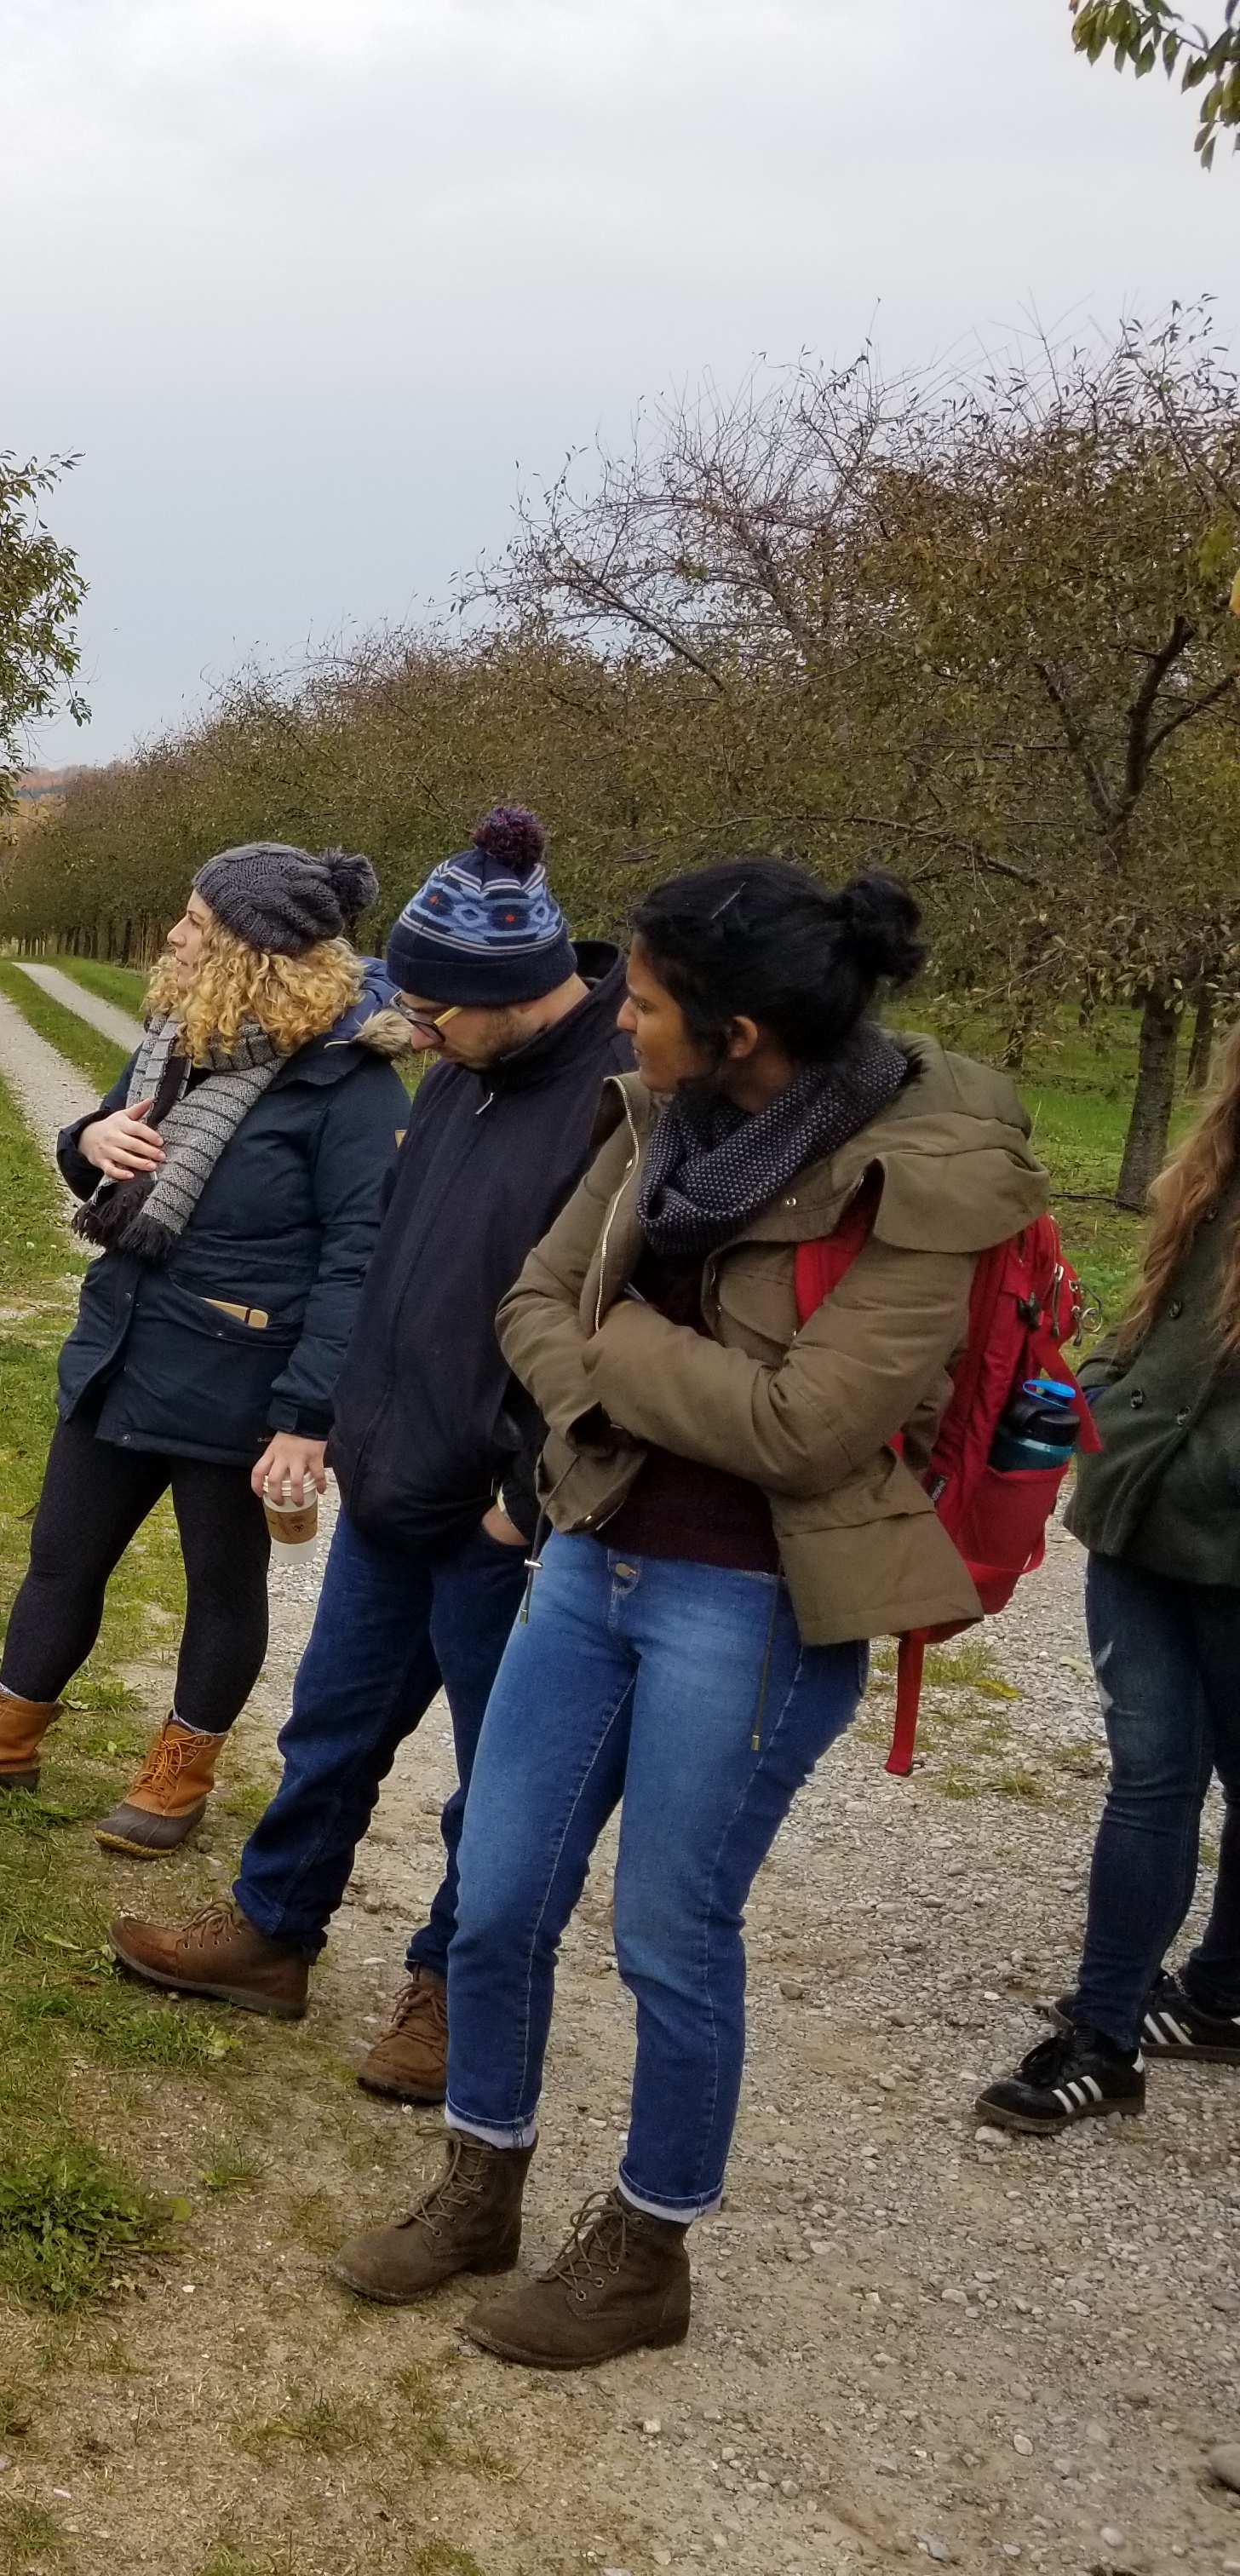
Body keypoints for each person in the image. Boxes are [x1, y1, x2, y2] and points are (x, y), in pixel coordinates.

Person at [332, 860, 1045, 2372]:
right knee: (501, 1887)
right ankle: (481, 2181)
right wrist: (633, 1356)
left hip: (760, 1600)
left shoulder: (926, 1172)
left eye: (643, 1001)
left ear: (734, 1029)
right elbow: (529, 1303)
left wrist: (617, 1339)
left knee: (669, 1928)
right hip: (592, 1555)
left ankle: (646, 2245)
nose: (619, 1017)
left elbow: (804, 1431)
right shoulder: (657, 1113)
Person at [110, 808, 635, 2102]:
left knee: (498, 1783)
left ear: (515, 990)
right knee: (329, 1730)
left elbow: (619, 1321)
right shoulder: (460, 1068)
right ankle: (273, 1933)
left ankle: (454, 1991)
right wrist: (335, 1416)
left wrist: (526, 1493)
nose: (415, 1025)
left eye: (441, 1005)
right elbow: (387, 1261)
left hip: (508, 1519)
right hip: (398, 1480)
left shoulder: (615, 1103)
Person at [0, 842, 405, 1853]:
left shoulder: (350, 1084)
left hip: (242, 1376)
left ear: (255, 951)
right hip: (123, 1344)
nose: (174, 935)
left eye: (197, 922)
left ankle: (179, 1772)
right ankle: (5, 1736)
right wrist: (86, 1144)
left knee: (220, 1582)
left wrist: (306, 1419)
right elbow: (109, 1155)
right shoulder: (176, 1034)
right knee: (61, 1556)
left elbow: (359, 1266)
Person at [976, 1031, 1240, 2130]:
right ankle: (1107, 2035)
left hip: (1227, 1546)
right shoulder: (1216, 1163)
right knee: (1152, 1778)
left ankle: (1223, 1995)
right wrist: (1101, 1398)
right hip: (1138, 1527)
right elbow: (1148, 1327)